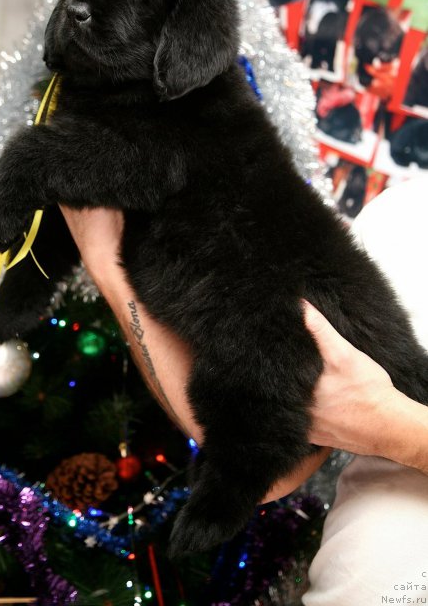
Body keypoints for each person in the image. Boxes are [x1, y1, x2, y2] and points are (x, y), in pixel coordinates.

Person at [59, 176, 428, 601]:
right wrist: (106, 259)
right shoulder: (404, 214)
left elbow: (368, 414)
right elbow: (267, 466)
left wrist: (392, 426)